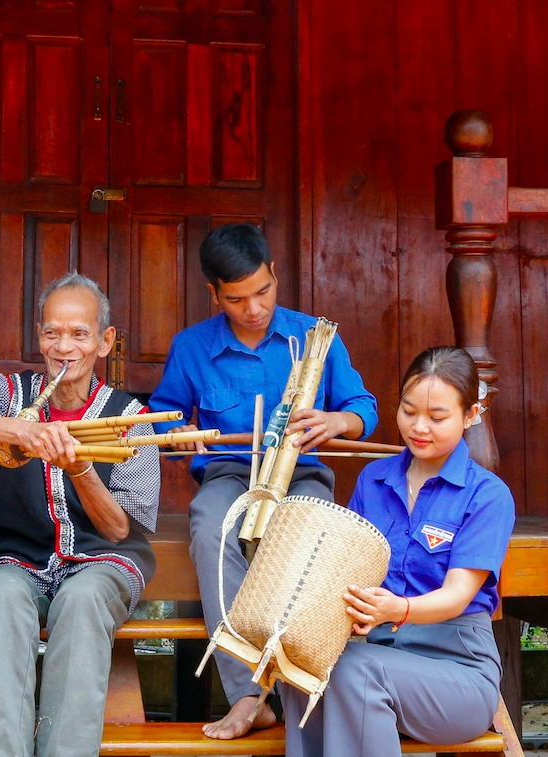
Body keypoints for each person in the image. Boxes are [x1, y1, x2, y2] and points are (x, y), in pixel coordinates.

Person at [148, 223, 378, 739]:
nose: (253, 308)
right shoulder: (191, 347)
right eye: (236, 299)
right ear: (214, 294)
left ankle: (307, 684)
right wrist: (179, 431)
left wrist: (338, 422)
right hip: (231, 473)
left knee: (313, 538)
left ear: (275, 274)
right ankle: (248, 696)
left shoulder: (316, 337)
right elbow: (162, 414)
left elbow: (364, 408)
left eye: (263, 291)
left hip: (302, 474)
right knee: (210, 526)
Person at [0, 272, 160, 757]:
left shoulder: (131, 417)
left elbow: (120, 528)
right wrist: (20, 432)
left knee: (81, 601)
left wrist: (80, 471)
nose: (65, 347)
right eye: (53, 333)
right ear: (39, 336)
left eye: (80, 334)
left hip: (102, 561)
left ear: (105, 341)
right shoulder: (11, 393)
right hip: (15, 557)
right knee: (0, 599)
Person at [280, 346, 515, 754]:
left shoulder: (488, 495)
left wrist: (397, 611)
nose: (419, 427)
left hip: (457, 673)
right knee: (302, 666)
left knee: (355, 670)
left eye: (438, 417)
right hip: (378, 658)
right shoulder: (374, 480)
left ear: (470, 415)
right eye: (409, 411)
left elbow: (458, 595)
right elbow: (346, 572)